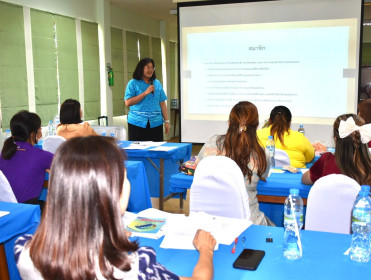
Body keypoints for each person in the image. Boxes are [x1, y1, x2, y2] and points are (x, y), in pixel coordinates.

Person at [15, 136, 216, 280]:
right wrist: (206, 250)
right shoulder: (130, 268)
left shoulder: (24, 250)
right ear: (113, 192)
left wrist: (109, 238)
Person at [196, 101, 274, 226]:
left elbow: (199, 167)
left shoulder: (212, 142)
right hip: (249, 225)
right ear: (256, 126)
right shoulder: (261, 154)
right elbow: (263, 174)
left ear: (229, 123)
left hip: (211, 225)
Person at [301, 114, 371, 235]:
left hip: (323, 231)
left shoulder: (326, 160)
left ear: (336, 139)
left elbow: (305, 179)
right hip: (364, 233)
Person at [0, 111, 53, 204]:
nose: (41, 132)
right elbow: (68, 167)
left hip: (6, 209)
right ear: (33, 134)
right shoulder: (41, 155)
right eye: (39, 129)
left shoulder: (4, 153)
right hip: (27, 211)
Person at [124, 57, 170, 141]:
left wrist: (166, 121)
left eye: (152, 67)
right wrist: (145, 93)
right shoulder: (133, 83)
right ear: (141, 68)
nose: (150, 70)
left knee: (156, 150)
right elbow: (128, 102)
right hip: (137, 123)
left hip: (156, 123)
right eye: (147, 67)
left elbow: (162, 103)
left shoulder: (157, 83)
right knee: (138, 151)